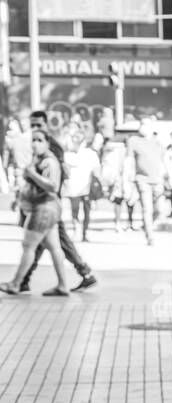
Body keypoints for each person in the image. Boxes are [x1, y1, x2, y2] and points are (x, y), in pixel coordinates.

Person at [24, 111, 97, 293]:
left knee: (50, 242)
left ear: (46, 124)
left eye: (38, 125)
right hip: (42, 203)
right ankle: (24, 279)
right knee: (43, 244)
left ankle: (83, 272)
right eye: (32, 125)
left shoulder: (50, 145)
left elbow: (58, 174)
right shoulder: (38, 143)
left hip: (48, 203)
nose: (35, 129)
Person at [1, 128, 71, 296]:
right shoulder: (38, 160)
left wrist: (32, 174)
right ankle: (63, 285)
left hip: (44, 208)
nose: (35, 144)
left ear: (47, 143)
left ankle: (16, 283)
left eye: (40, 140)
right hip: (46, 207)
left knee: (28, 246)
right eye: (33, 140)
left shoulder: (49, 162)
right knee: (54, 247)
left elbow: (53, 185)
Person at [128, 116, 166, 245]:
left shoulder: (158, 142)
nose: (143, 126)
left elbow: (163, 160)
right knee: (147, 208)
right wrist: (127, 179)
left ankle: (147, 225)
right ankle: (150, 236)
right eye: (142, 124)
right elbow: (129, 161)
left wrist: (169, 176)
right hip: (142, 179)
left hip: (157, 179)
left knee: (160, 210)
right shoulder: (134, 141)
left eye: (146, 124)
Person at [63, 125, 101, 243]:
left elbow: (97, 171)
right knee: (76, 210)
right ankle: (78, 230)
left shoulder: (90, 154)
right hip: (73, 187)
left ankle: (83, 232)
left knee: (85, 211)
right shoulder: (67, 155)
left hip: (86, 187)